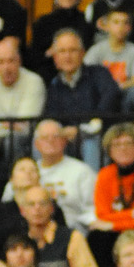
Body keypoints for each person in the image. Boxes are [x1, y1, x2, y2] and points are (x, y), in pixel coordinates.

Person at [43, 28, 122, 172]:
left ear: (82, 53)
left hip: (99, 135)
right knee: (44, 139)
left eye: (72, 50)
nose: (67, 56)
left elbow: (108, 104)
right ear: (55, 57)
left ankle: (93, 191)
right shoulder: (54, 85)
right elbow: (51, 116)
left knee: (90, 141)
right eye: (62, 51)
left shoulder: (100, 74)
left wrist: (79, 130)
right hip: (67, 138)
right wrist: (64, 132)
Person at [14, 183, 101, 267]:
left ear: (52, 208)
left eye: (42, 203)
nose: (37, 209)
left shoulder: (72, 238)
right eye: (31, 204)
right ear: (22, 211)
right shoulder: (19, 243)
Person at [30, 0, 93, 79]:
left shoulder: (86, 21)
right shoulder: (43, 22)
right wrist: (48, 53)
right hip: (50, 71)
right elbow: (34, 55)